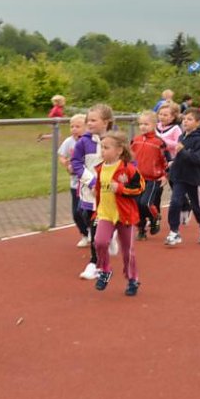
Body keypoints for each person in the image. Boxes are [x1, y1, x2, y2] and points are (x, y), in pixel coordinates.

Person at [92, 131, 144, 296]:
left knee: (127, 250)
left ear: (119, 150)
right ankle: (105, 270)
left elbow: (140, 188)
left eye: (106, 148)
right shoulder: (100, 168)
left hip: (124, 216)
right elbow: (100, 189)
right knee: (99, 242)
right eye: (102, 147)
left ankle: (132, 279)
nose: (102, 151)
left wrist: (121, 188)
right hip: (105, 214)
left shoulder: (128, 169)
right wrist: (96, 193)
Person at [72, 104, 113, 280]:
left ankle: (94, 263)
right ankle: (107, 238)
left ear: (106, 122)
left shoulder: (114, 140)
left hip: (109, 192)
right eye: (88, 120)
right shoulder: (83, 142)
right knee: (84, 216)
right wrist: (91, 181)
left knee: (97, 228)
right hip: (89, 191)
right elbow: (76, 164)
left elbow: (127, 161)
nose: (89, 123)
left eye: (93, 120)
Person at [164, 108, 200, 247]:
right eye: (184, 118)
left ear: (198, 123)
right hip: (179, 177)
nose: (185, 121)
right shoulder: (182, 137)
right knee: (174, 203)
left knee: (198, 205)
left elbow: (198, 159)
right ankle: (174, 231)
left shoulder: (199, 140)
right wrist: (173, 163)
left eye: (190, 119)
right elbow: (181, 156)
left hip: (194, 178)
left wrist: (183, 152)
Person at [131, 111, 168, 240]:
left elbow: (165, 160)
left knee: (145, 203)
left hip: (153, 179)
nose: (142, 127)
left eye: (146, 124)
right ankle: (141, 229)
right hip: (137, 179)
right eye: (140, 124)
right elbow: (130, 158)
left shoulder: (159, 142)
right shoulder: (135, 141)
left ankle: (154, 217)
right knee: (135, 205)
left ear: (154, 125)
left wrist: (165, 175)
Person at [58, 114, 90, 247]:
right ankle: (84, 234)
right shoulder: (69, 141)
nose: (74, 129)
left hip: (88, 184)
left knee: (85, 211)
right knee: (76, 214)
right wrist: (66, 164)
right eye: (72, 126)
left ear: (86, 127)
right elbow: (61, 155)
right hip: (75, 183)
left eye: (78, 126)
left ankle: (95, 231)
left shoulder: (90, 141)